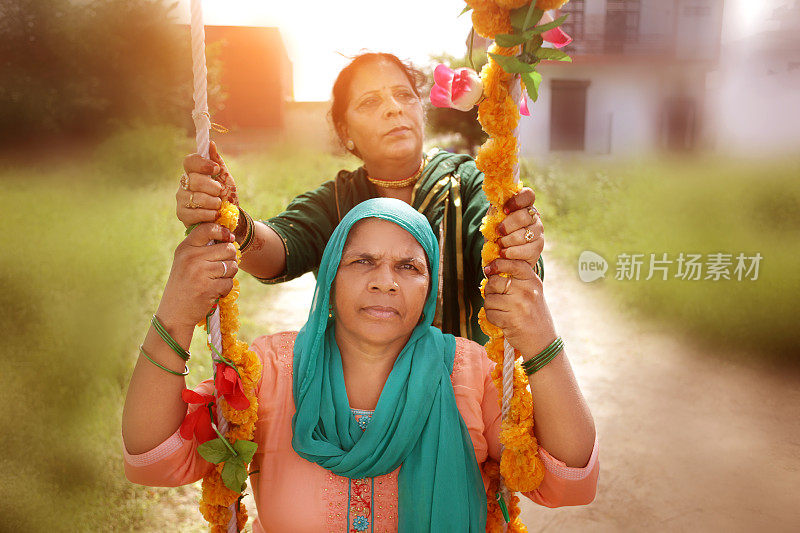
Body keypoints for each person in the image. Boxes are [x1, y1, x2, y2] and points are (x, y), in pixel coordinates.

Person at [122, 198, 598, 532]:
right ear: (329, 278)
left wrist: (539, 338)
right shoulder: (270, 369)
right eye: (362, 261)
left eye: (409, 267)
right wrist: (177, 312)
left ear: (430, 289)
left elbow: (569, 481)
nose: (385, 282)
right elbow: (153, 458)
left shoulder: (471, 373)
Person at [176, 52, 544, 344]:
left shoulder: (467, 181)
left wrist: (516, 240)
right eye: (370, 102)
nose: (393, 108)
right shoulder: (337, 199)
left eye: (404, 95)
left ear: (421, 109)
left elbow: (501, 256)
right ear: (345, 131)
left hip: (462, 398)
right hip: (358, 404)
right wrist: (231, 218)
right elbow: (279, 251)